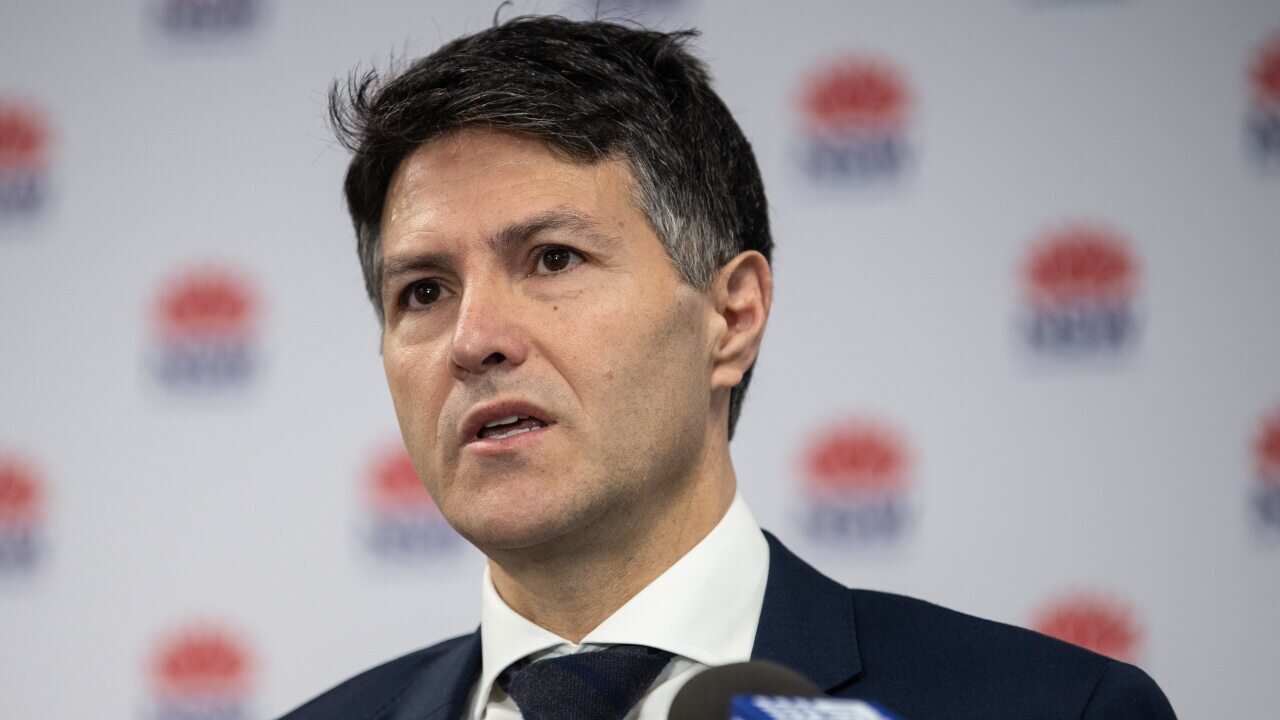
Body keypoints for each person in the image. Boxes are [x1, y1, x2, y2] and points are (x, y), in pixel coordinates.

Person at [283, 15, 1176, 720]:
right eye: (425, 292)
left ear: (732, 314)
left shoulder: (1052, 708)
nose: (474, 339)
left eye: (552, 259)